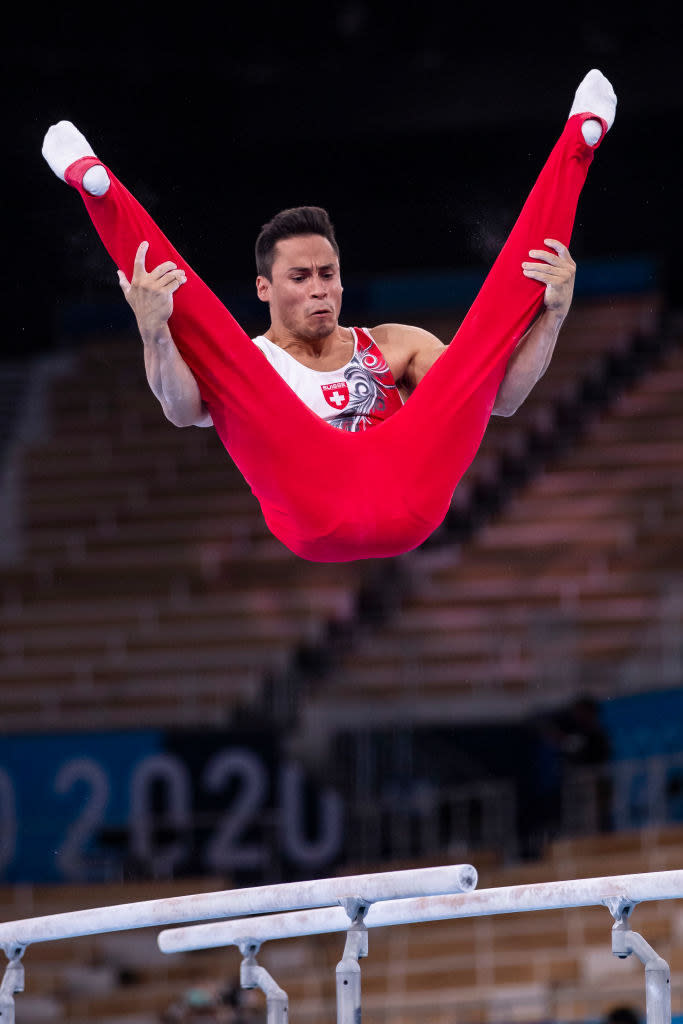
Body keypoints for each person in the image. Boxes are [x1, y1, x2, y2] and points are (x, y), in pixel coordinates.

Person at [42, 71, 616, 563]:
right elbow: (179, 408)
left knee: (481, 343)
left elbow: (498, 398)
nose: (320, 290)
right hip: (312, 513)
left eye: (327, 274)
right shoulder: (252, 366)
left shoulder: (395, 344)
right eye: (300, 278)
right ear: (264, 288)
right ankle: (95, 185)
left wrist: (553, 317)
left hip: (409, 497)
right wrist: (154, 331)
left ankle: (578, 145)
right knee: (204, 330)